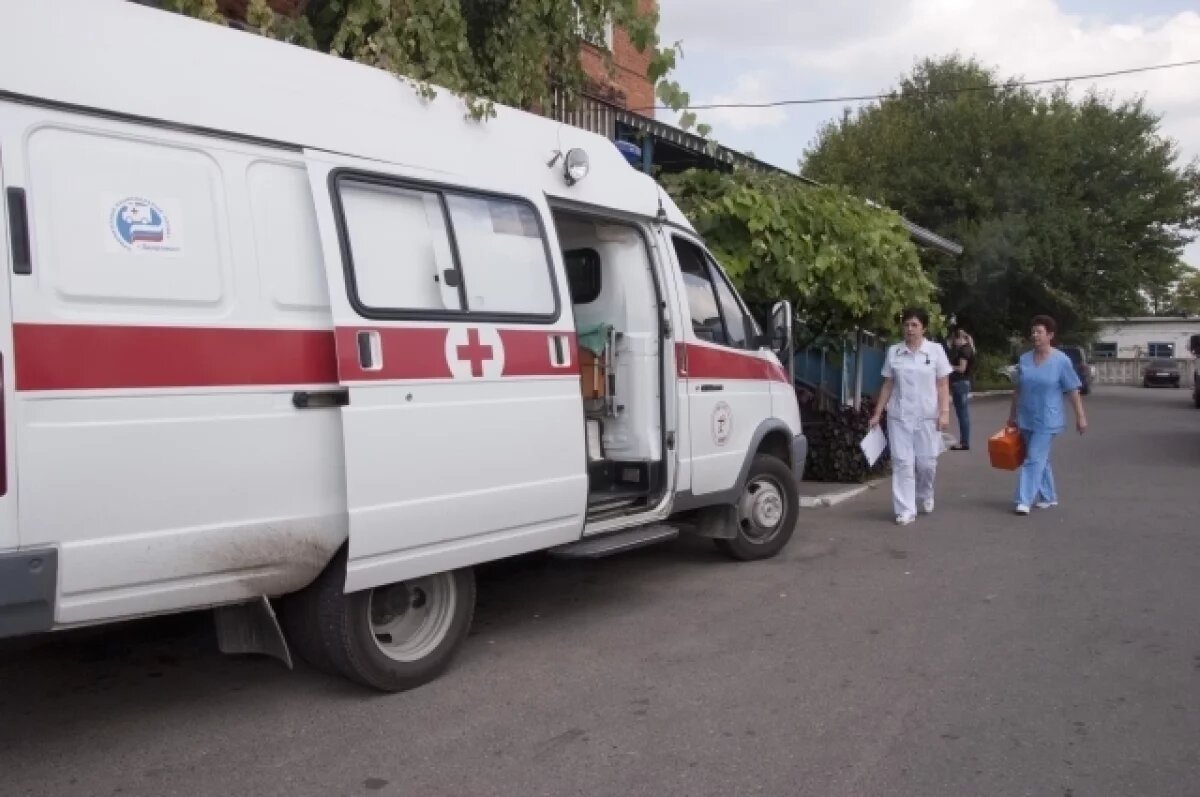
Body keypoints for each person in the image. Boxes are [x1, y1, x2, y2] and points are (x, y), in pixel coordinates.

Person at [869, 308, 953, 525]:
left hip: (927, 416)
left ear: (924, 328)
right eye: (906, 325)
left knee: (926, 464)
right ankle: (906, 509)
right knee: (902, 463)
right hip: (899, 416)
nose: (910, 329)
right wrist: (877, 413)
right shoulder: (894, 352)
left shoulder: (935, 351)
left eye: (915, 325)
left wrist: (944, 413)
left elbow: (943, 384)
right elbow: (888, 385)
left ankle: (925, 493)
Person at [1006, 315, 1088, 515]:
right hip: (1026, 416)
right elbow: (1018, 388)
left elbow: (1072, 389)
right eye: (1033, 332)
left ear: (1050, 335)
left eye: (1039, 332)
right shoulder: (1024, 359)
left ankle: (1023, 500)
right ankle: (1049, 496)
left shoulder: (1061, 360)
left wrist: (1080, 416)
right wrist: (1012, 415)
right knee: (1039, 458)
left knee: (1034, 457)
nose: (1035, 335)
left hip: (1048, 418)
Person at [947, 327, 976, 450]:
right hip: (964, 382)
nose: (954, 343)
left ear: (959, 338)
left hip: (960, 383)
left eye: (954, 340)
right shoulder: (969, 349)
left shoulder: (964, 351)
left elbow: (961, 368)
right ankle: (965, 441)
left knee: (962, 414)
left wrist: (948, 366)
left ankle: (964, 442)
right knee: (963, 413)